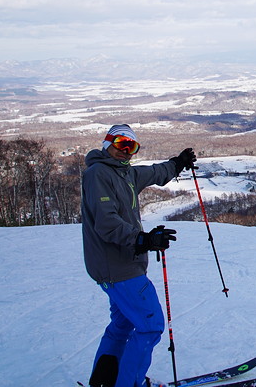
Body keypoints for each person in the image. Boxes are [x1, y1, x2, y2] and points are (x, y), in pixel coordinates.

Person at [81, 124, 196, 387]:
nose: (125, 151)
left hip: (121, 264)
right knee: (150, 324)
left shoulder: (126, 174)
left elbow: (156, 172)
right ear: (107, 143)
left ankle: (104, 381)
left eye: (131, 147)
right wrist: (142, 239)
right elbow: (106, 222)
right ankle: (127, 383)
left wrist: (178, 163)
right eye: (121, 144)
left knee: (121, 325)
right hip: (117, 266)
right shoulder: (98, 174)